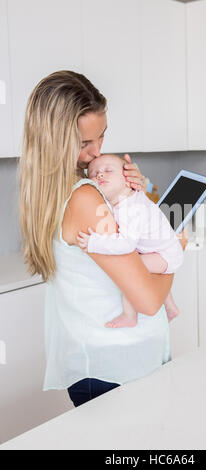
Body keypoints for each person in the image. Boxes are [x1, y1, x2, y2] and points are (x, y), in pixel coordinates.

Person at [18, 70, 188, 408]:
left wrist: (137, 195)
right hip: (118, 369)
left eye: (101, 137)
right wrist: (174, 250)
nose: (97, 154)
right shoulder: (85, 199)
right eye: (84, 144)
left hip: (106, 363)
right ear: (56, 141)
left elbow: (135, 240)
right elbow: (149, 301)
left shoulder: (60, 193)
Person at [76, 153, 184, 328]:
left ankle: (129, 315)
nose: (100, 175)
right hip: (163, 248)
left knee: (132, 270)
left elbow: (125, 245)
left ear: (128, 179)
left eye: (107, 171)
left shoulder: (131, 209)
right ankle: (171, 307)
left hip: (165, 254)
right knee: (141, 267)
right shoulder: (129, 198)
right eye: (94, 174)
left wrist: (93, 243)